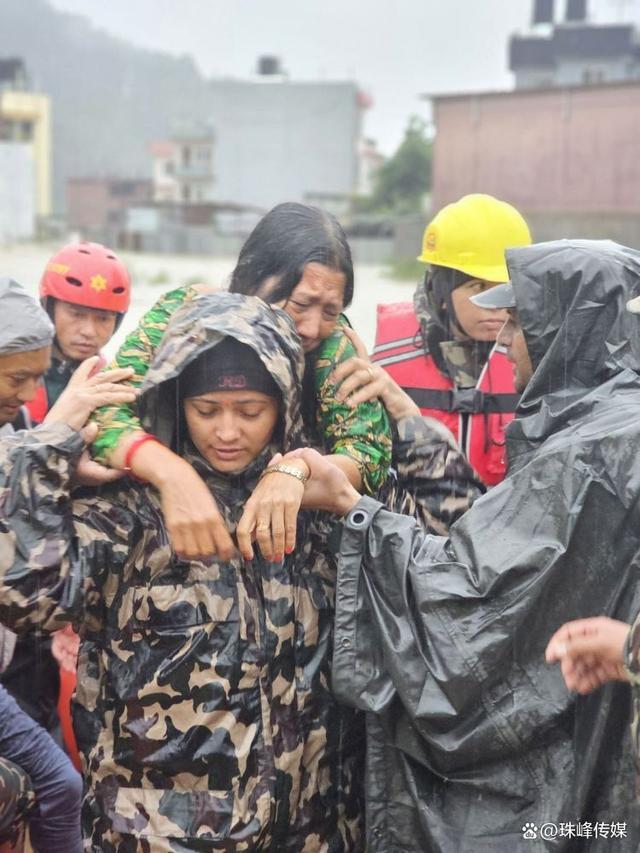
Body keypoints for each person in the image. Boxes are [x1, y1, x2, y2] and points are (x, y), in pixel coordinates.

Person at [281, 239, 640, 850]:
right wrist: (404, 416)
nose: (503, 342)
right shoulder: (611, 419)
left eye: (520, 322)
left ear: (564, 330)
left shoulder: (585, 454)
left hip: (554, 793)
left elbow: (467, 602)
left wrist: (355, 510)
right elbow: (487, 526)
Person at [0, 292, 363, 851]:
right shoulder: (128, 511)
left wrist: (388, 430)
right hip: (159, 833)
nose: (226, 432)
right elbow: (28, 601)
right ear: (175, 403)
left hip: (309, 828)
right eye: (205, 410)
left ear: (285, 405)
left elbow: (437, 563)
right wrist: (46, 451)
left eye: (250, 412)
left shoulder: (314, 511)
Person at [90, 201, 392, 560]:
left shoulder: (334, 347)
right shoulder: (186, 315)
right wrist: (173, 474)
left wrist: (296, 468)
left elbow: (368, 453)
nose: (310, 328)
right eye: (299, 304)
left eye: (330, 310)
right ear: (253, 278)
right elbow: (107, 404)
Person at [0, 278, 134, 853]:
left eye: (38, 375)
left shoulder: (15, 429)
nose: (32, 392)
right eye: (17, 378)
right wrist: (54, 441)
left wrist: (66, 470)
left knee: (55, 783)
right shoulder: (30, 436)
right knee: (45, 784)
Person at [373, 194, 531, 486]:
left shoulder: (540, 357)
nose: (496, 303)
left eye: (506, 287)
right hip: (409, 527)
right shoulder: (380, 358)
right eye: (478, 286)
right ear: (441, 288)